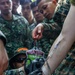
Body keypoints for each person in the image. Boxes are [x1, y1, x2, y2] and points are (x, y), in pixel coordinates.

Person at [32, 0, 75, 74]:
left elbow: (65, 35)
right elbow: (63, 31)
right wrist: (42, 27)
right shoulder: (56, 17)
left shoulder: (64, 6)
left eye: (45, 7)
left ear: (54, 2)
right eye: (41, 11)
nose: (44, 12)